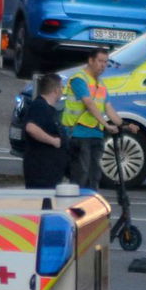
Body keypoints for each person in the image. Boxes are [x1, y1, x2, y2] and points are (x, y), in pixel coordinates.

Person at [61, 46, 126, 189]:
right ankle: (76, 207)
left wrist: (123, 125)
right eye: (100, 61)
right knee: (81, 175)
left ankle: (90, 207)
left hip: (95, 134)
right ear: (90, 61)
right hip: (78, 134)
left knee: (94, 176)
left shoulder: (101, 84)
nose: (103, 65)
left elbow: (108, 107)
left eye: (105, 62)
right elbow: (88, 103)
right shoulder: (79, 79)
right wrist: (106, 124)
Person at [20, 73, 71, 188]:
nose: (62, 91)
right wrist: (53, 141)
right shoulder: (39, 106)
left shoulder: (49, 109)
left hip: (51, 170)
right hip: (41, 171)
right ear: (56, 90)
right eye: (62, 88)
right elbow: (31, 128)